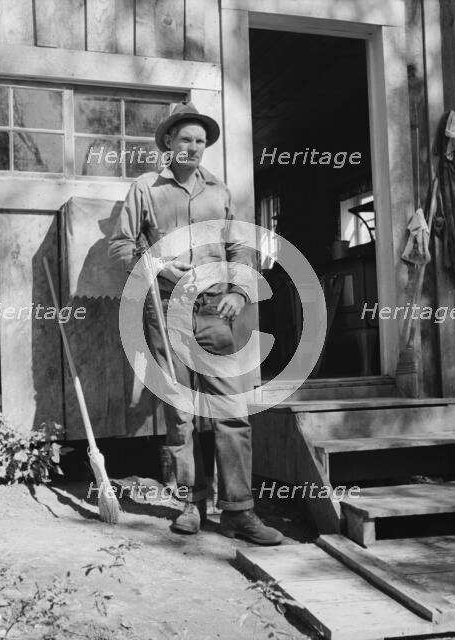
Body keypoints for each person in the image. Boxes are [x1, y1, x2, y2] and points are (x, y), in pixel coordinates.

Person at [109, 101, 283, 545]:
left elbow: (241, 250)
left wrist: (238, 292)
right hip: (166, 310)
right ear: (168, 142)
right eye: (185, 138)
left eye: (200, 141)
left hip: (213, 310)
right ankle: (191, 504)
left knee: (231, 410)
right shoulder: (146, 189)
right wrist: (160, 268)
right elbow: (122, 246)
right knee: (181, 413)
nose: (193, 147)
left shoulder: (220, 193)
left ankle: (239, 512)